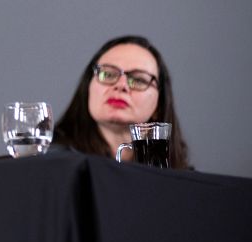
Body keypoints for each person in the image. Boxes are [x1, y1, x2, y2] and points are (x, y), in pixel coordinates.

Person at [53, 35, 189, 168]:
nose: (121, 85)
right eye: (108, 74)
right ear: (87, 88)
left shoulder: (182, 184)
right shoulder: (48, 162)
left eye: (139, 80)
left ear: (159, 105)